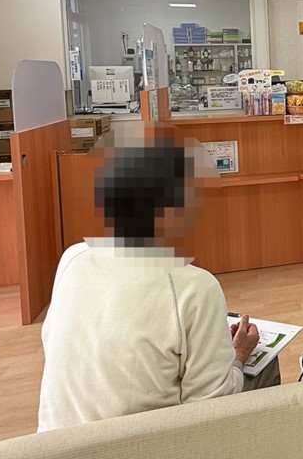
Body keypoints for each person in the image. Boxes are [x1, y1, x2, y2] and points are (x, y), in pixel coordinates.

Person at [37, 131, 273, 432]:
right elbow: (212, 404)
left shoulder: (73, 257)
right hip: (145, 446)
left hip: (55, 444)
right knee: (263, 368)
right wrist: (238, 354)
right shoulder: (195, 286)